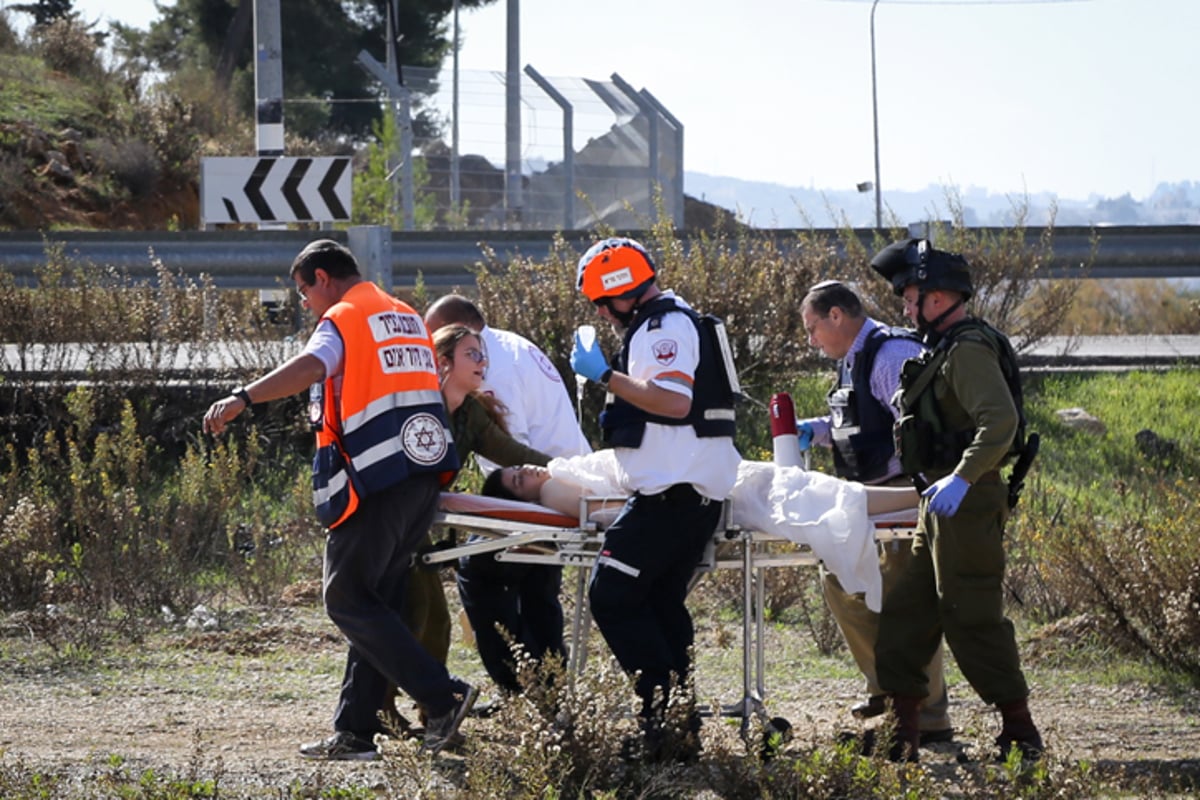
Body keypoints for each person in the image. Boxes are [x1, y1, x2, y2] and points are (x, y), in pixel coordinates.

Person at [202, 239, 477, 760]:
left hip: (377, 479)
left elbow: (312, 365)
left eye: (305, 291)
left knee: (345, 597)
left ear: (323, 278)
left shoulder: (345, 317)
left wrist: (243, 398)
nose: (306, 303)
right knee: (379, 601)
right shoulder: (404, 315)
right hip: (422, 475)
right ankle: (355, 732)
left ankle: (444, 697)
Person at [868, 237, 1043, 763]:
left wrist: (964, 478)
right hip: (939, 500)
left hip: (967, 496)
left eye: (910, 294)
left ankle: (1021, 732)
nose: (904, 305)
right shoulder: (943, 347)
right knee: (906, 612)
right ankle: (902, 736)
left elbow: (1001, 421)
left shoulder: (966, 349)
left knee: (969, 614)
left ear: (939, 297)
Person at [569, 236, 742, 761]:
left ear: (620, 294)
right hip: (688, 498)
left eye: (601, 301)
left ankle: (664, 720)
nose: (601, 313)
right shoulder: (678, 320)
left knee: (612, 597)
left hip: (669, 499)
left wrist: (604, 375)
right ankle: (674, 729)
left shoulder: (662, 327)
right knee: (660, 604)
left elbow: (672, 401)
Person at [796, 280, 954, 746]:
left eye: (812, 329)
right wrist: (816, 431)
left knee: (907, 602)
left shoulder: (888, 356)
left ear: (837, 316)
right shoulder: (855, 360)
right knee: (842, 582)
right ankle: (888, 691)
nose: (812, 340)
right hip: (868, 496)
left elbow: (914, 426)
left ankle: (926, 714)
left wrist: (917, 492)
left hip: (904, 494)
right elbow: (862, 423)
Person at [424, 295, 590, 706]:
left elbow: (512, 454)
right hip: (559, 478)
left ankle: (521, 691)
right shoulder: (507, 345)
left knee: (485, 576)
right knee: (537, 590)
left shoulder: (487, 366)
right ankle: (546, 692)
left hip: (543, 490)